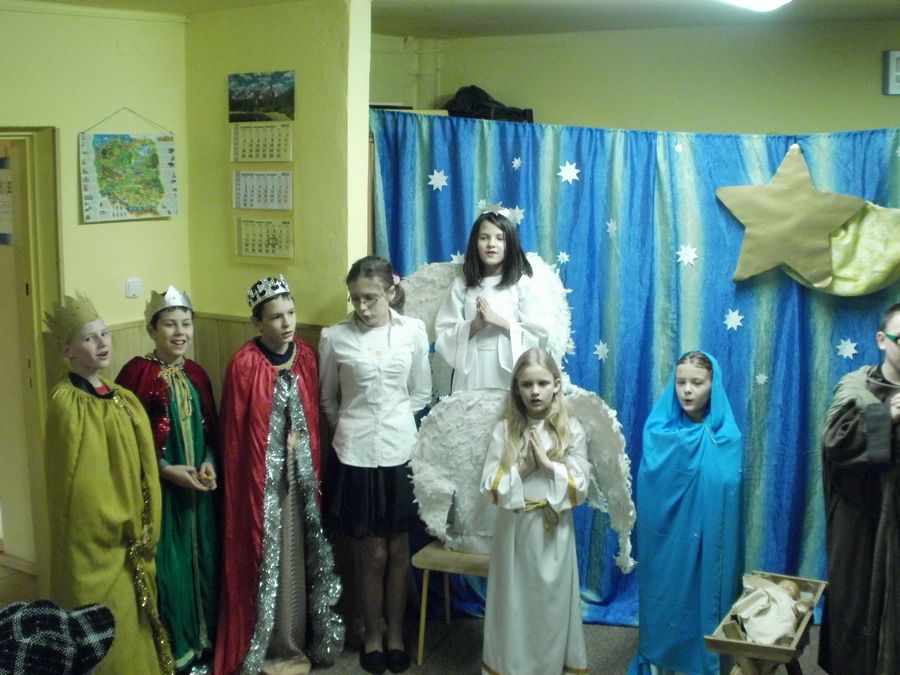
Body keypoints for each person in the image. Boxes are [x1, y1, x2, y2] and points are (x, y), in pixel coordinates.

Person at [214, 276, 343, 675]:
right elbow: (236, 435)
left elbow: (313, 416)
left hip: (300, 481)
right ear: (257, 323)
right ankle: (268, 644)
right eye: (275, 317)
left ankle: (296, 638)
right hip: (262, 486)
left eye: (291, 313)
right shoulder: (244, 364)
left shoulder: (304, 356)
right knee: (266, 555)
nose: (287, 323)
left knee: (298, 555)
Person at [43, 293, 174, 674]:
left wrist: (144, 521)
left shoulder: (122, 398)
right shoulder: (68, 405)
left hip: (132, 537)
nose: (102, 343)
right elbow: (79, 485)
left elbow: (141, 465)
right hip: (99, 543)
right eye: (89, 338)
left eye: (104, 334)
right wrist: (120, 523)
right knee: (103, 625)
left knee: (135, 622)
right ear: (66, 350)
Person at [319, 256, 431, 674]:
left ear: (390, 292)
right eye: (355, 299)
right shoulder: (334, 337)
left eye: (370, 298)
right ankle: (371, 635)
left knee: (398, 548)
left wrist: (394, 421)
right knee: (372, 553)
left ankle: (396, 634)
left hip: (400, 452)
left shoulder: (413, 331)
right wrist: (353, 427)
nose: (362, 307)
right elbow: (328, 398)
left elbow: (420, 392)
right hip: (356, 456)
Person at [116, 285, 219, 672]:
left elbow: (211, 431)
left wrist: (209, 462)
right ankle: (177, 651)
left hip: (199, 497)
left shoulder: (197, 374)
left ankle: (205, 642)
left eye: (186, 324)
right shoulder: (136, 374)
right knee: (170, 572)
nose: (180, 333)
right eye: (170, 324)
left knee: (204, 563)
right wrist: (164, 470)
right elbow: (128, 441)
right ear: (151, 330)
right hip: (161, 495)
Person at [630, 351, 743, 675]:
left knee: (705, 594)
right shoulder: (659, 430)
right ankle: (662, 659)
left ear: (713, 385)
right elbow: (651, 482)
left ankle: (704, 656)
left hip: (708, 538)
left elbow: (728, 487)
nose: (687, 390)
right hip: (666, 540)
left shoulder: (726, 436)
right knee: (665, 594)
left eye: (697, 382)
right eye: (681, 382)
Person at [480, 347, 591, 675]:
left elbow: (581, 487)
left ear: (556, 384)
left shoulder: (571, 428)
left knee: (550, 604)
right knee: (513, 605)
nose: (535, 391)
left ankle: (550, 666)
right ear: (516, 388)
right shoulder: (504, 430)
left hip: (554, 530)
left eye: (542, 383)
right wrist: (524, 469)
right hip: (514, 532)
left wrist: (548, 465)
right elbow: (489, 486)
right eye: (527, 384)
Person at [819, 302, 900, 675]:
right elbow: (837, 445)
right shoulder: (857, 387)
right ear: (882, 340)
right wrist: (889, 416)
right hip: (860, 526)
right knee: (855, 611)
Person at [434, 211, 548, 393]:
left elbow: (539, 334)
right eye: (484, 238)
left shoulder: (522, 284)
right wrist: (474, 325)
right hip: (470, 372)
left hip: (509, 371)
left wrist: (500, 322)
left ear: (510, 244)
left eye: (499, 238)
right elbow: (444, 334)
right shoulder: (462, 285)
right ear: (475, 243)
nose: (491, 244)